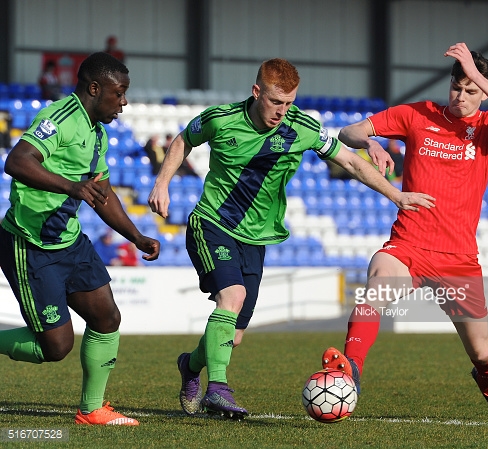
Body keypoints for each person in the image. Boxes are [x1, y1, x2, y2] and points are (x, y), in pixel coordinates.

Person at [147, 58, 435, 419]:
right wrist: (162, 183)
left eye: (289, 103)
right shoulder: (220, 118)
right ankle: (217, 389)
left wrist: (397, 195)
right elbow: (182, 141)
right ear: (257, 92)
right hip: (212, 223)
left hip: (255, 239)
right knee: (231, 297)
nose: (282, 111)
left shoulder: (303, 127)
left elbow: (351, 161)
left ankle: (191, 366)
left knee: (233, 335)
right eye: (275, 102)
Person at [321, 43, 488, 421]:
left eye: (471, 91)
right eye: (456, 87)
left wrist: (477, 74)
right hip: (409, 244)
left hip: (459, 259)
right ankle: (351, 370)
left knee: (481, 353)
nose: (461, 97)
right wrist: (371, 142)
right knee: (376, 287)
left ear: (483, 93)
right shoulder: (417, 115)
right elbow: (348, 131)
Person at [0, 52, 160, 425]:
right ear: (94, 88)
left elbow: (101, 192)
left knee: (106, 317)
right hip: (31, 243)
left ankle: (92, 409)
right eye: (119, 93)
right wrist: (73, 187)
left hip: (70, 242)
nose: (124, 102)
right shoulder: (60, 118)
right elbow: (18, 162)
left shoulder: (96, 134)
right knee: (56, 348)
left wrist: (136, 236)